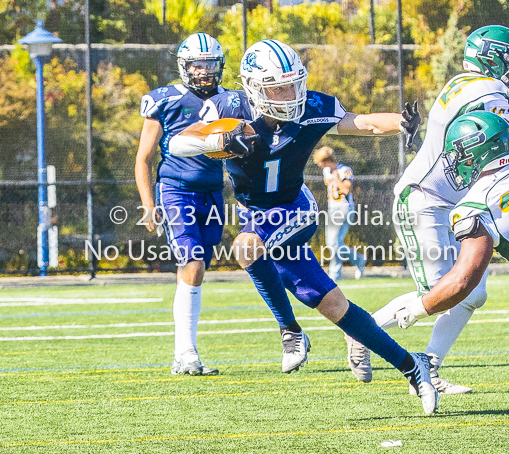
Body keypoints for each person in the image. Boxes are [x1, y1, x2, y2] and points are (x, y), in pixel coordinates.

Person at [168, 39, 439, 414]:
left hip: (295, 210)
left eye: (295, 83)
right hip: (256, 214)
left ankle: (291, 331)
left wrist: (400, 123)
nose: (290, 93)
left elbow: (358, 122)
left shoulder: (312, 107)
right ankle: (413, 367)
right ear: (254, 87)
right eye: (278, 87)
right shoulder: (230, 108)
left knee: (245, 247)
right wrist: (217, 138)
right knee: (335, 306)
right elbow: (177, 143)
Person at [350, 25, 509, 392]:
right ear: (493, 58)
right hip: (426, 198)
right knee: (441, 289)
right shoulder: (491, 90)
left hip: (455, 202)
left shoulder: (464, 83)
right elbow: (501, 140)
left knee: (472, 291)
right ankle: (364, 330)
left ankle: (430, 365)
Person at [389, 110, 509, 416]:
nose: (456, 162)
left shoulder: (475, 205)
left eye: (460, 154)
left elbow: (465, 278)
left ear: (478, 152)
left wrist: (420, 307)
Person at [134, 33, 226, 376]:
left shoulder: (230, 99)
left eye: (210, 65)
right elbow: (143, 158)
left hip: (213, 193)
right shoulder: (165, 99)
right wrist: (148, 204)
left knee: (196, 268)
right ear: (184, 67)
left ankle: (181, 353)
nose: (204, 72)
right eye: (197, 65)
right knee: (193, 262)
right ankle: (187, 352)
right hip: (176, 190)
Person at [312, 147, 366, 282]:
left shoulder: (344, 170)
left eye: (321, 162)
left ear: (328, 160)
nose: (319, 165)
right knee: (334, 243)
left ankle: (335, 275)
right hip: (332, 208)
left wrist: (336, 178)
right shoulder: (325, 171)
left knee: (333, 242)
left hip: (344, 208)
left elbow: (346, 190)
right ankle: (359, 259)